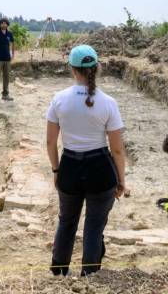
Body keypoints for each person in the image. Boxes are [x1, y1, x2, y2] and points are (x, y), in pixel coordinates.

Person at [46, 44, 127, 276]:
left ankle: (59, 271)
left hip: (70, 167)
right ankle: (90, 274)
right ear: (97, 68)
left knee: (66, 221)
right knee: (94, 225)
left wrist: (56, 170)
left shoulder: (59, 99)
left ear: (73, 70)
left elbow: (51, 143)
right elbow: (118, 150)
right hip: (100, 169)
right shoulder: (108, 102)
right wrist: (122, 180)